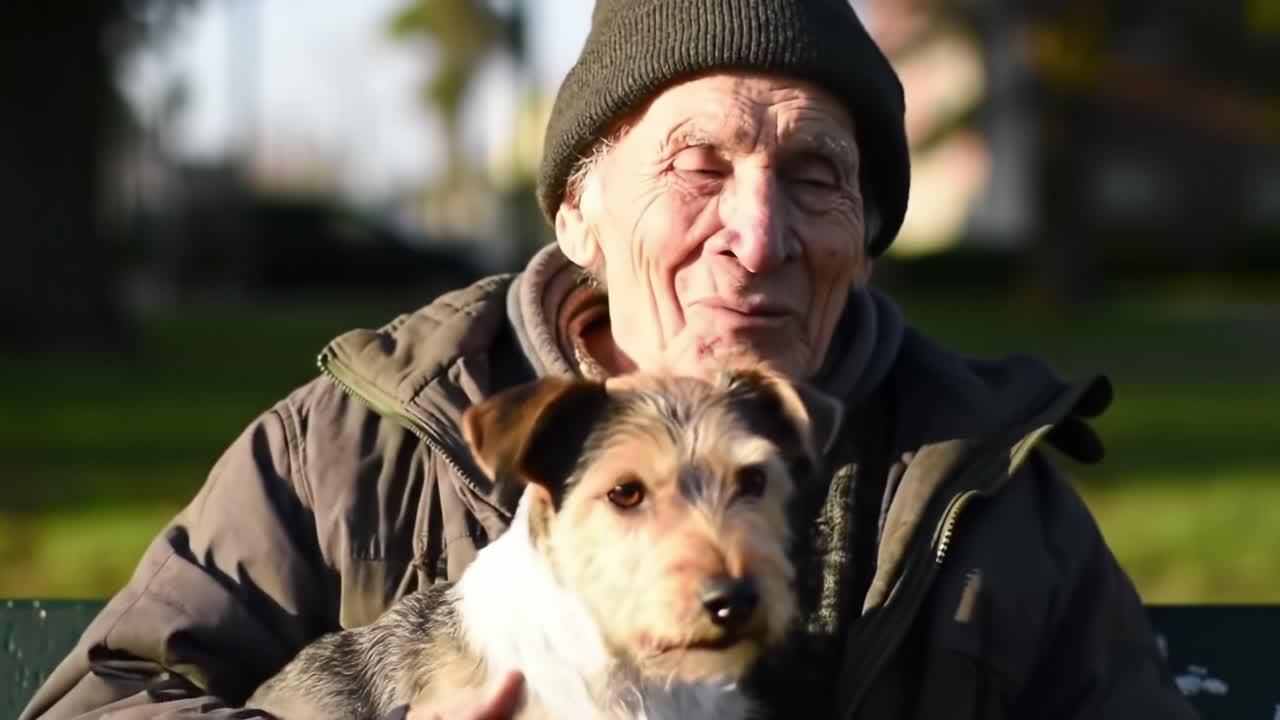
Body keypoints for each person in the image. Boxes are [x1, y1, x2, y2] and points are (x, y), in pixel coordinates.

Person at [22, 1, 1199, 718]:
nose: (757, 233)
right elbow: (100, 706)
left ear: (868, 235)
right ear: (577, 216)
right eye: (698, 167)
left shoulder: (991, 490)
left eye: (814, 175)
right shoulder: (347, 451)